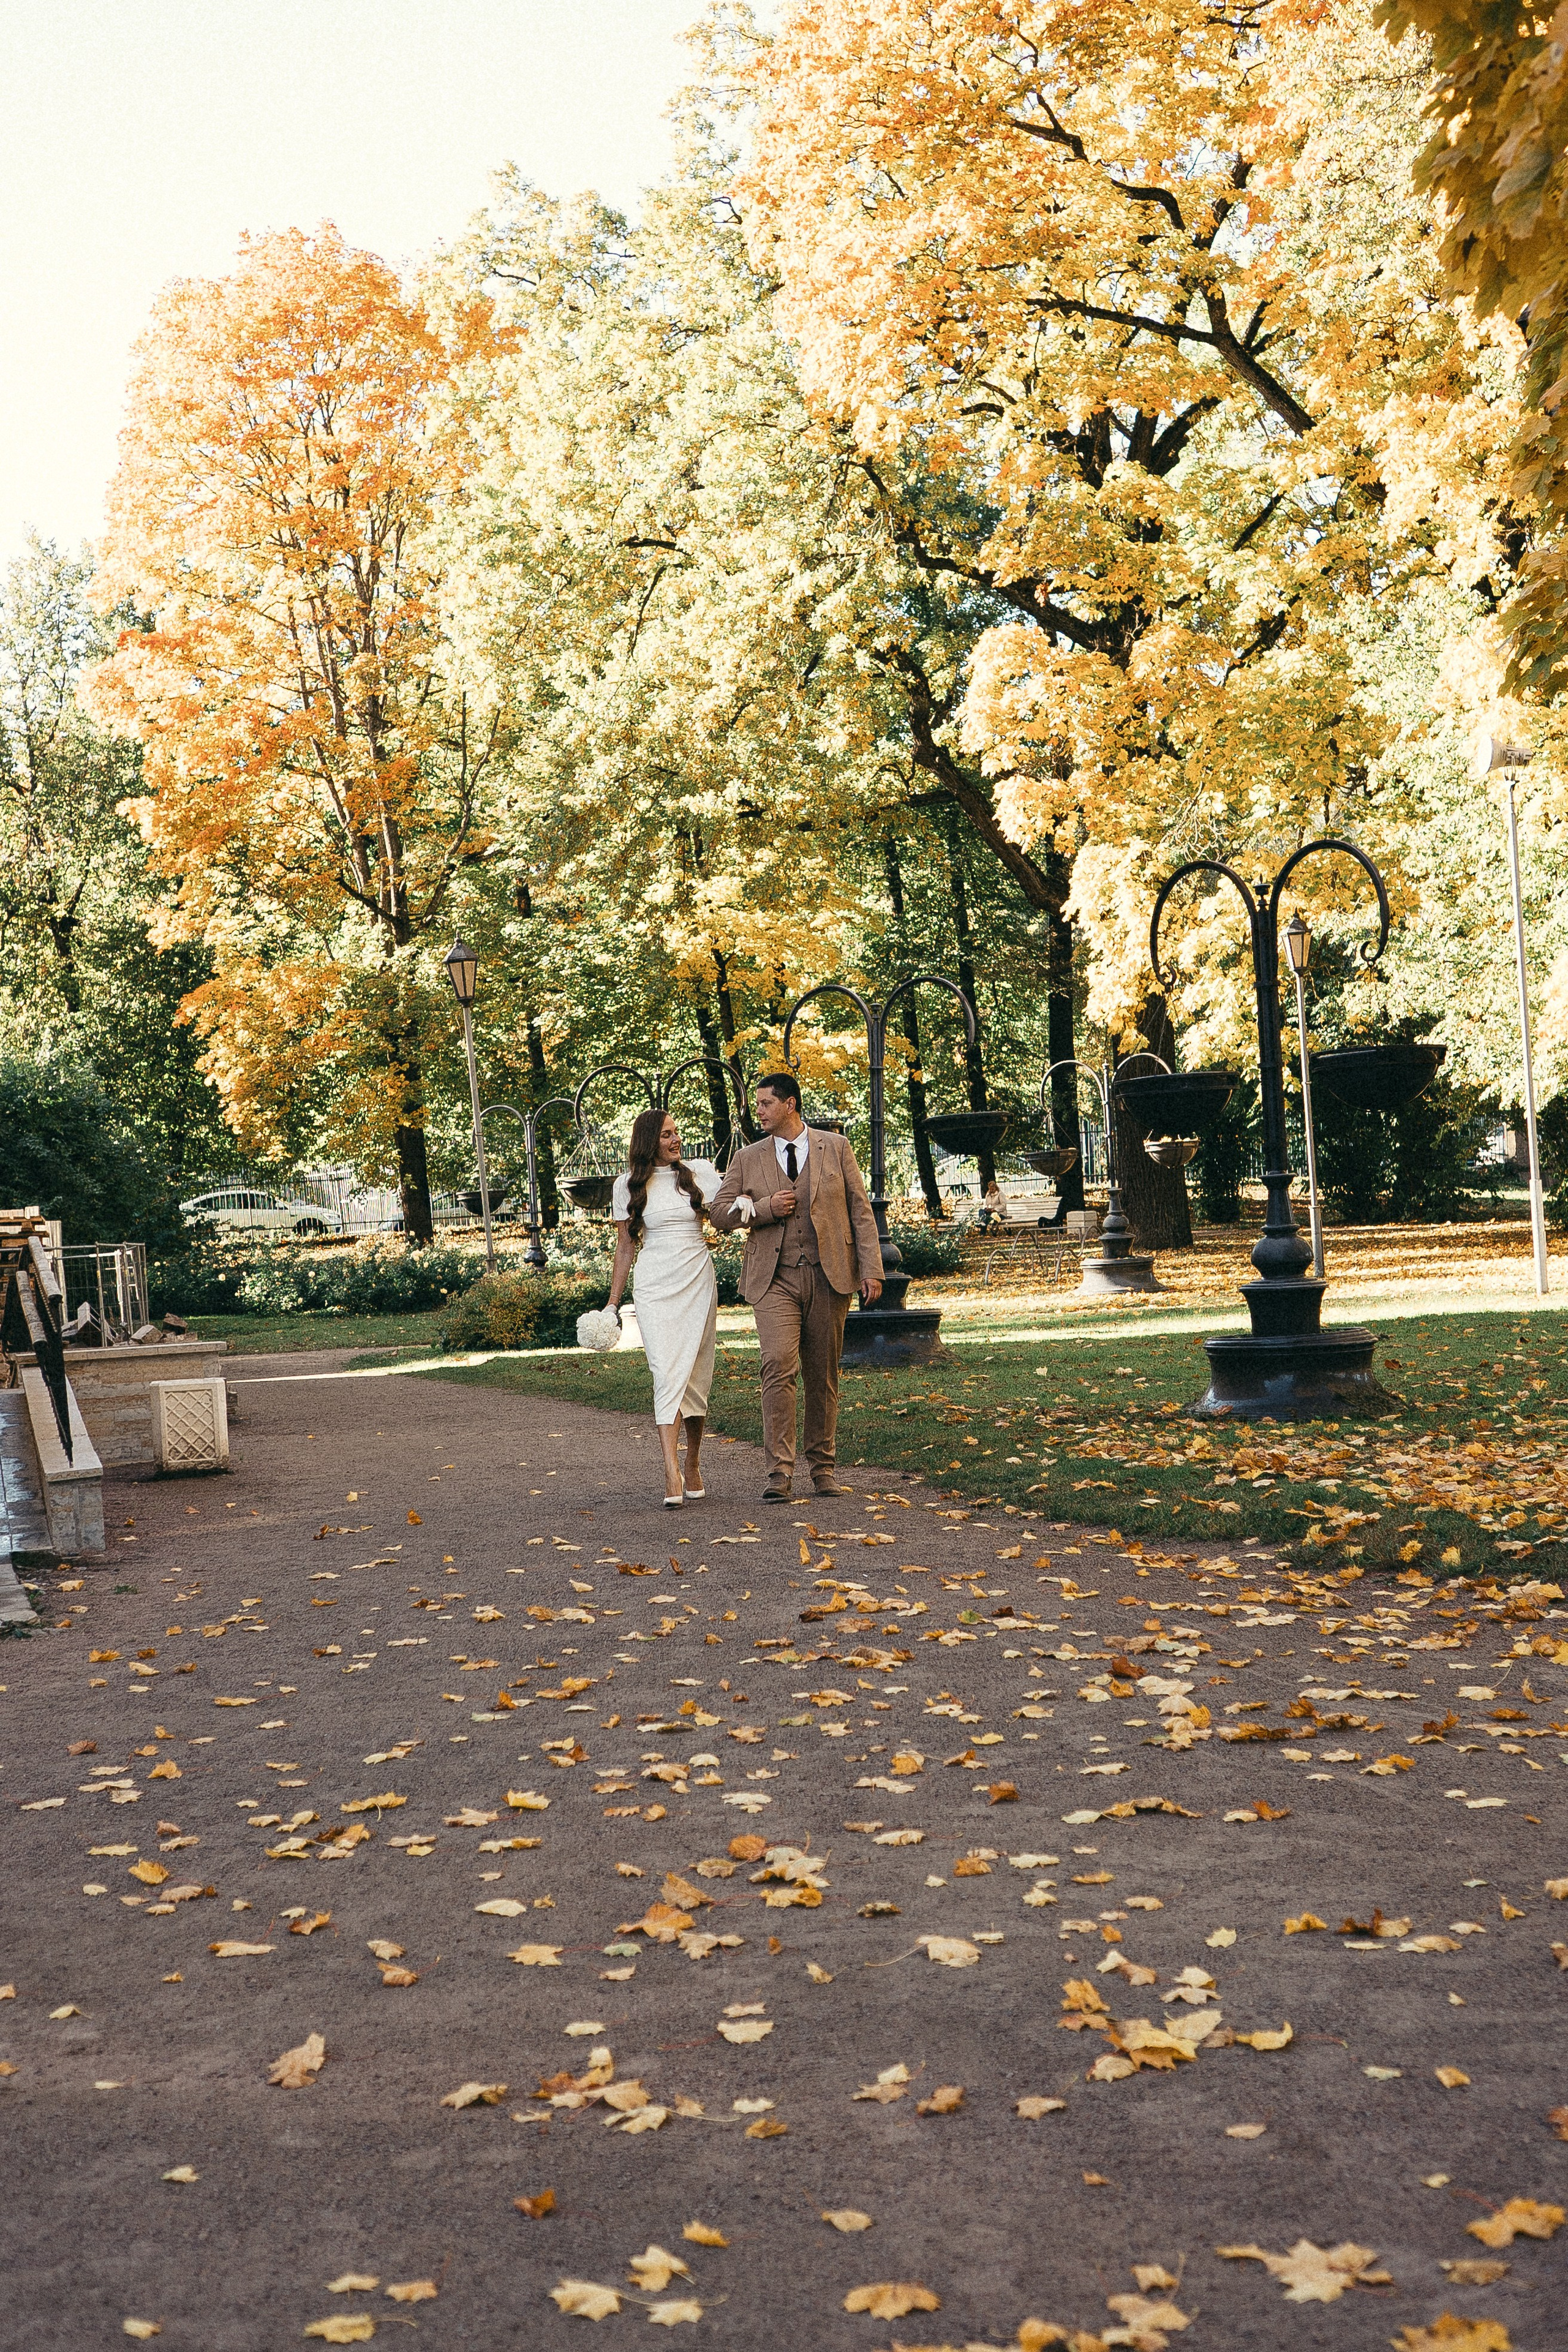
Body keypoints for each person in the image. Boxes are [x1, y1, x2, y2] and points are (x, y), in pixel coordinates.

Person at [712, 1072, 882, 1502]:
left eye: (766, 1104)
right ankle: (779, 1473)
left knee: (822, 1374)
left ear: (790, 1105)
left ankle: (823, 1468)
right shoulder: (748, 1157)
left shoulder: (836, 1146)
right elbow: (718, 1213)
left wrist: (872, 1269)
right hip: (774, 1278)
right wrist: (765, 1209)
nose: (759, 1112)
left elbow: (860, 1211)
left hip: (830, 1274)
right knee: (777, 1365)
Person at [606, 1107, 722, 1507]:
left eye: (677, 1133)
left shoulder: (699, 1173)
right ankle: (670, 1469)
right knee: (665, 1371)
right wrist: (612, 1305)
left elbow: (728, 1213)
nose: (676, 1140)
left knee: (696, 1375)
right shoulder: (627, 1185)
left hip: (697, 1281)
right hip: (655, 1284)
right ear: (648, 1142)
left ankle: (692, 1462)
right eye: (667, 1135)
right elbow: (625, 1247)